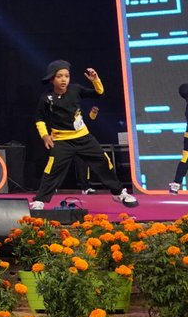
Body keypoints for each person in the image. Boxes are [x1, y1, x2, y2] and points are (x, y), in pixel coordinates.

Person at [28, 59, 137, 212]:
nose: (64, 79)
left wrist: (95, 80)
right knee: (52, 170)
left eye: (66, 76)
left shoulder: (76, 89)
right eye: (59, 76)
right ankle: (40, 200)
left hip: (83, 138)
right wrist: (45, 136)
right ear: (52, 79)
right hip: (61, 141)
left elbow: (99, 93)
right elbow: (39, 119)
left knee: (103, 161)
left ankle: (118, 193)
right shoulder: (47, 98)